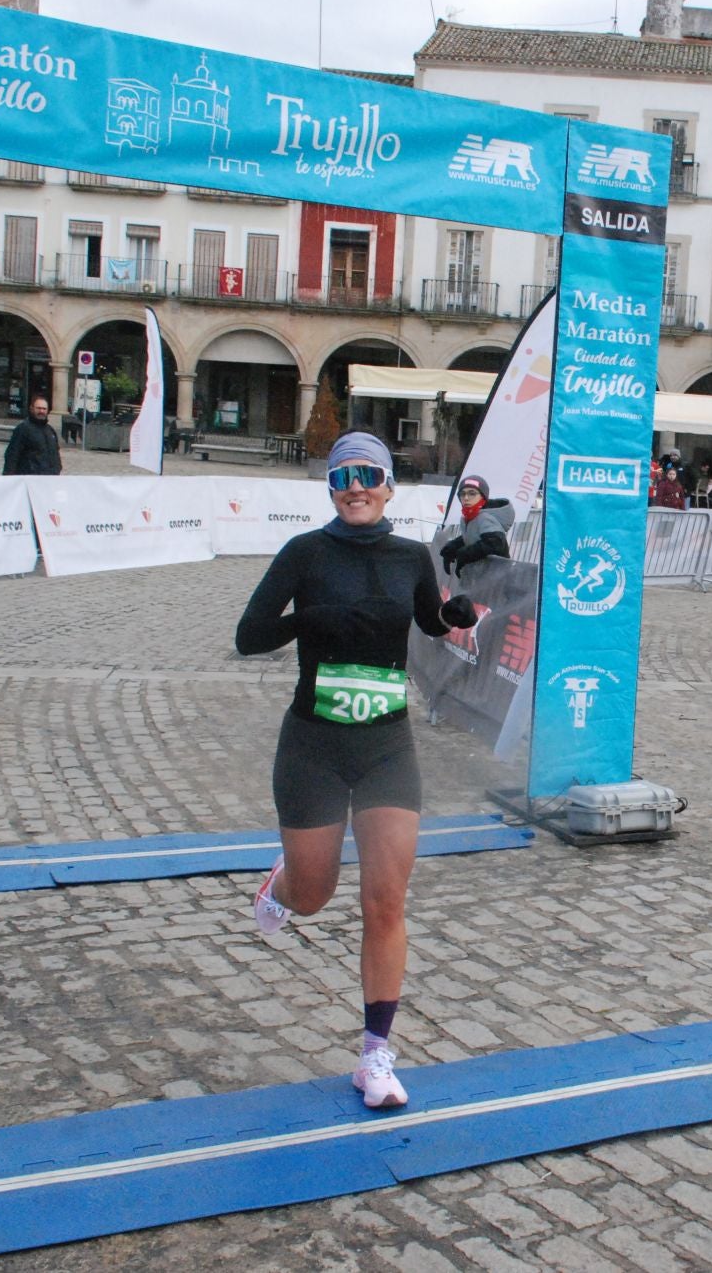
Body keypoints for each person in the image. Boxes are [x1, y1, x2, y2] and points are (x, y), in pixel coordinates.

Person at [235, 431, 481, 1112]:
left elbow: (429, 620)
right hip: (313, 746)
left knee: (385, 900)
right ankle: (282, 883)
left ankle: (375, 1054)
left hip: (385, 747)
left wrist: (452, 615)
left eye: (369, 474)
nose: (357, 487)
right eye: (343, 477)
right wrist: (304, 620)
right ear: (331, 488)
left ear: (389, 486)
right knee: (314, 894)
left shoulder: (410, 556)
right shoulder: (304, 553)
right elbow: (248, 635)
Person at [438, 474, 512, 575]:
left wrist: (465, 554)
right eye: (462, 494)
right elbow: (475, 536)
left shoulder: (485, 517)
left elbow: (495, 544)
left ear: (483, 496)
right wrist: (453, 546)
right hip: (483, 574)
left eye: (472, 493)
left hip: (498, 575)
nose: (466, 498)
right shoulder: (469, 516)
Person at [3, 396, 62, 476]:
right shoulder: (23, 429)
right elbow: (12, 456)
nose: (41, 411)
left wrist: (57, 469)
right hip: (29, 478)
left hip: (49, 479)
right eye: (38, 408)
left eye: (44, 409)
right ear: (31, 409)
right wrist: (8, 478)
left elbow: (55, 454)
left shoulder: (50, 431)